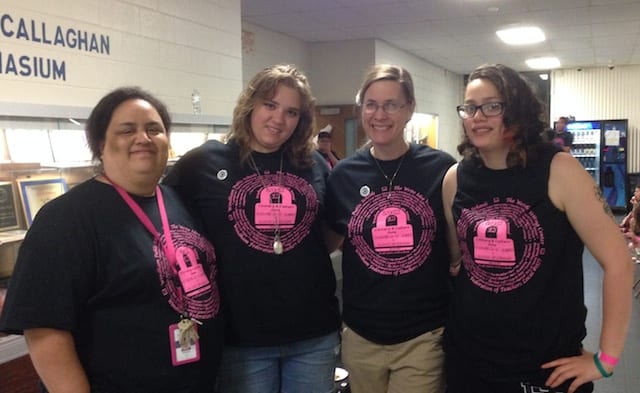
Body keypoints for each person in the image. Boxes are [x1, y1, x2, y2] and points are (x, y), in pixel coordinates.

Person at [0, 87, 223, 392]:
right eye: (127, 129)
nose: (143, 138)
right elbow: (44, 332)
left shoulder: (178, 201)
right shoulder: (66, 218)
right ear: (100, 144)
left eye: (154, 129)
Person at [442, 64, 633, 393]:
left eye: (492, 105)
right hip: (470, 360)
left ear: (517, 109)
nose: (477, 116)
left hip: (544, 366)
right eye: (470, 107)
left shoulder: (558, 170)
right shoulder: (456, 178)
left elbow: (619, 262)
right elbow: (458, 262)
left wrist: (607, 359)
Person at [163, 64, 341, 393]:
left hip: (312, 332)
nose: (278, 119)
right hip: (240, 338)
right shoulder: (204, 163)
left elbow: (329, 233)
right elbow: (161, 216)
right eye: (270, 105)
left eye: (291, 112)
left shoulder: (313, 164)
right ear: (250, 106)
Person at [324, 64, 456, 393]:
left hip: (423, 334)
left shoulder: (441, 169)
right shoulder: (344, 174)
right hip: (361, 332)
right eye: (371, 104)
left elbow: (456, 251)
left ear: (409, 109)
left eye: (391, 104)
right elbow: (328, 241)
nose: (379, 114)